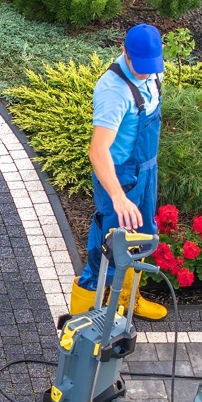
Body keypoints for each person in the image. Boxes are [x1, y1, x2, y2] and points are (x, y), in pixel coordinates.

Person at [69, 23, 168, 320]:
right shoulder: (113, 91)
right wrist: (118, 197)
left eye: (151, 67)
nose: (147, 74)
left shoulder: (153, 70)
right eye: (141, 67)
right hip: (120, 179)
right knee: (107, 252)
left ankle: (128, 299)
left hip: (147, 171)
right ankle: (81, 322)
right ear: (125, 52)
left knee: (142, 238)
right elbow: (97, 151)